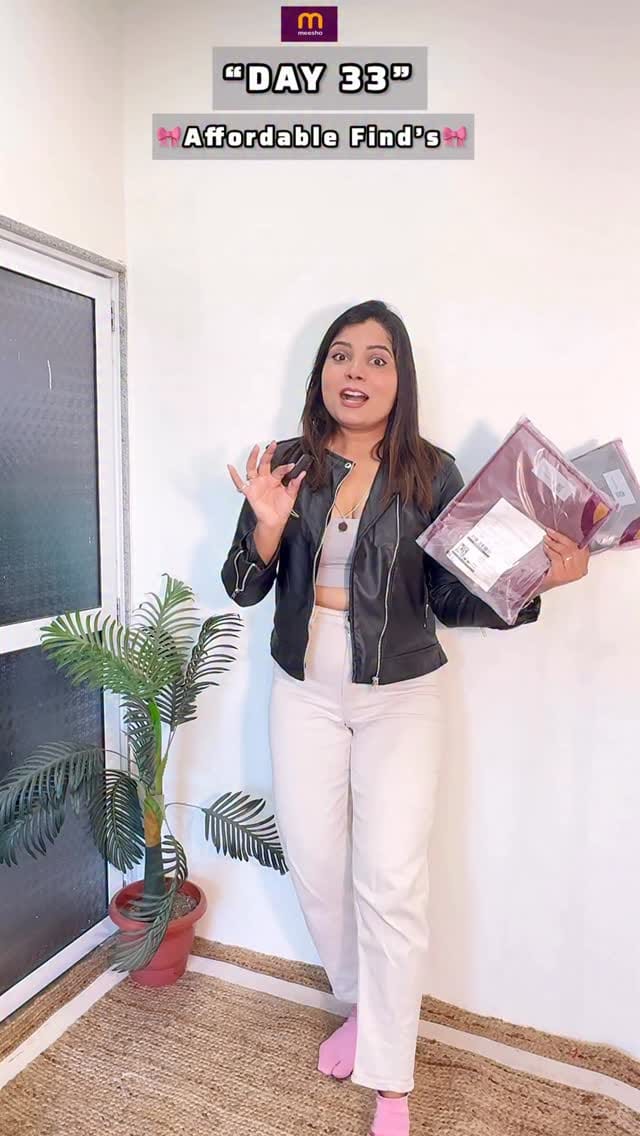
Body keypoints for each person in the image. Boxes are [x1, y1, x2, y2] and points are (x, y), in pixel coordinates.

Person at [221, 299, 589, 1136]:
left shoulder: (433, 473)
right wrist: (268, 528)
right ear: (322, 371)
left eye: (376, 358)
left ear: (400, 378)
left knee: (390, 882)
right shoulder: (285, 464)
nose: (355, 371)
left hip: (402, 695)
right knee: (316, 866)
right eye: (341, 355)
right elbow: (243, 587)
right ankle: (364, 1004)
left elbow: (454, 600)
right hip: (303, 688)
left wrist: (536, 581)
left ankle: (392, 1080)